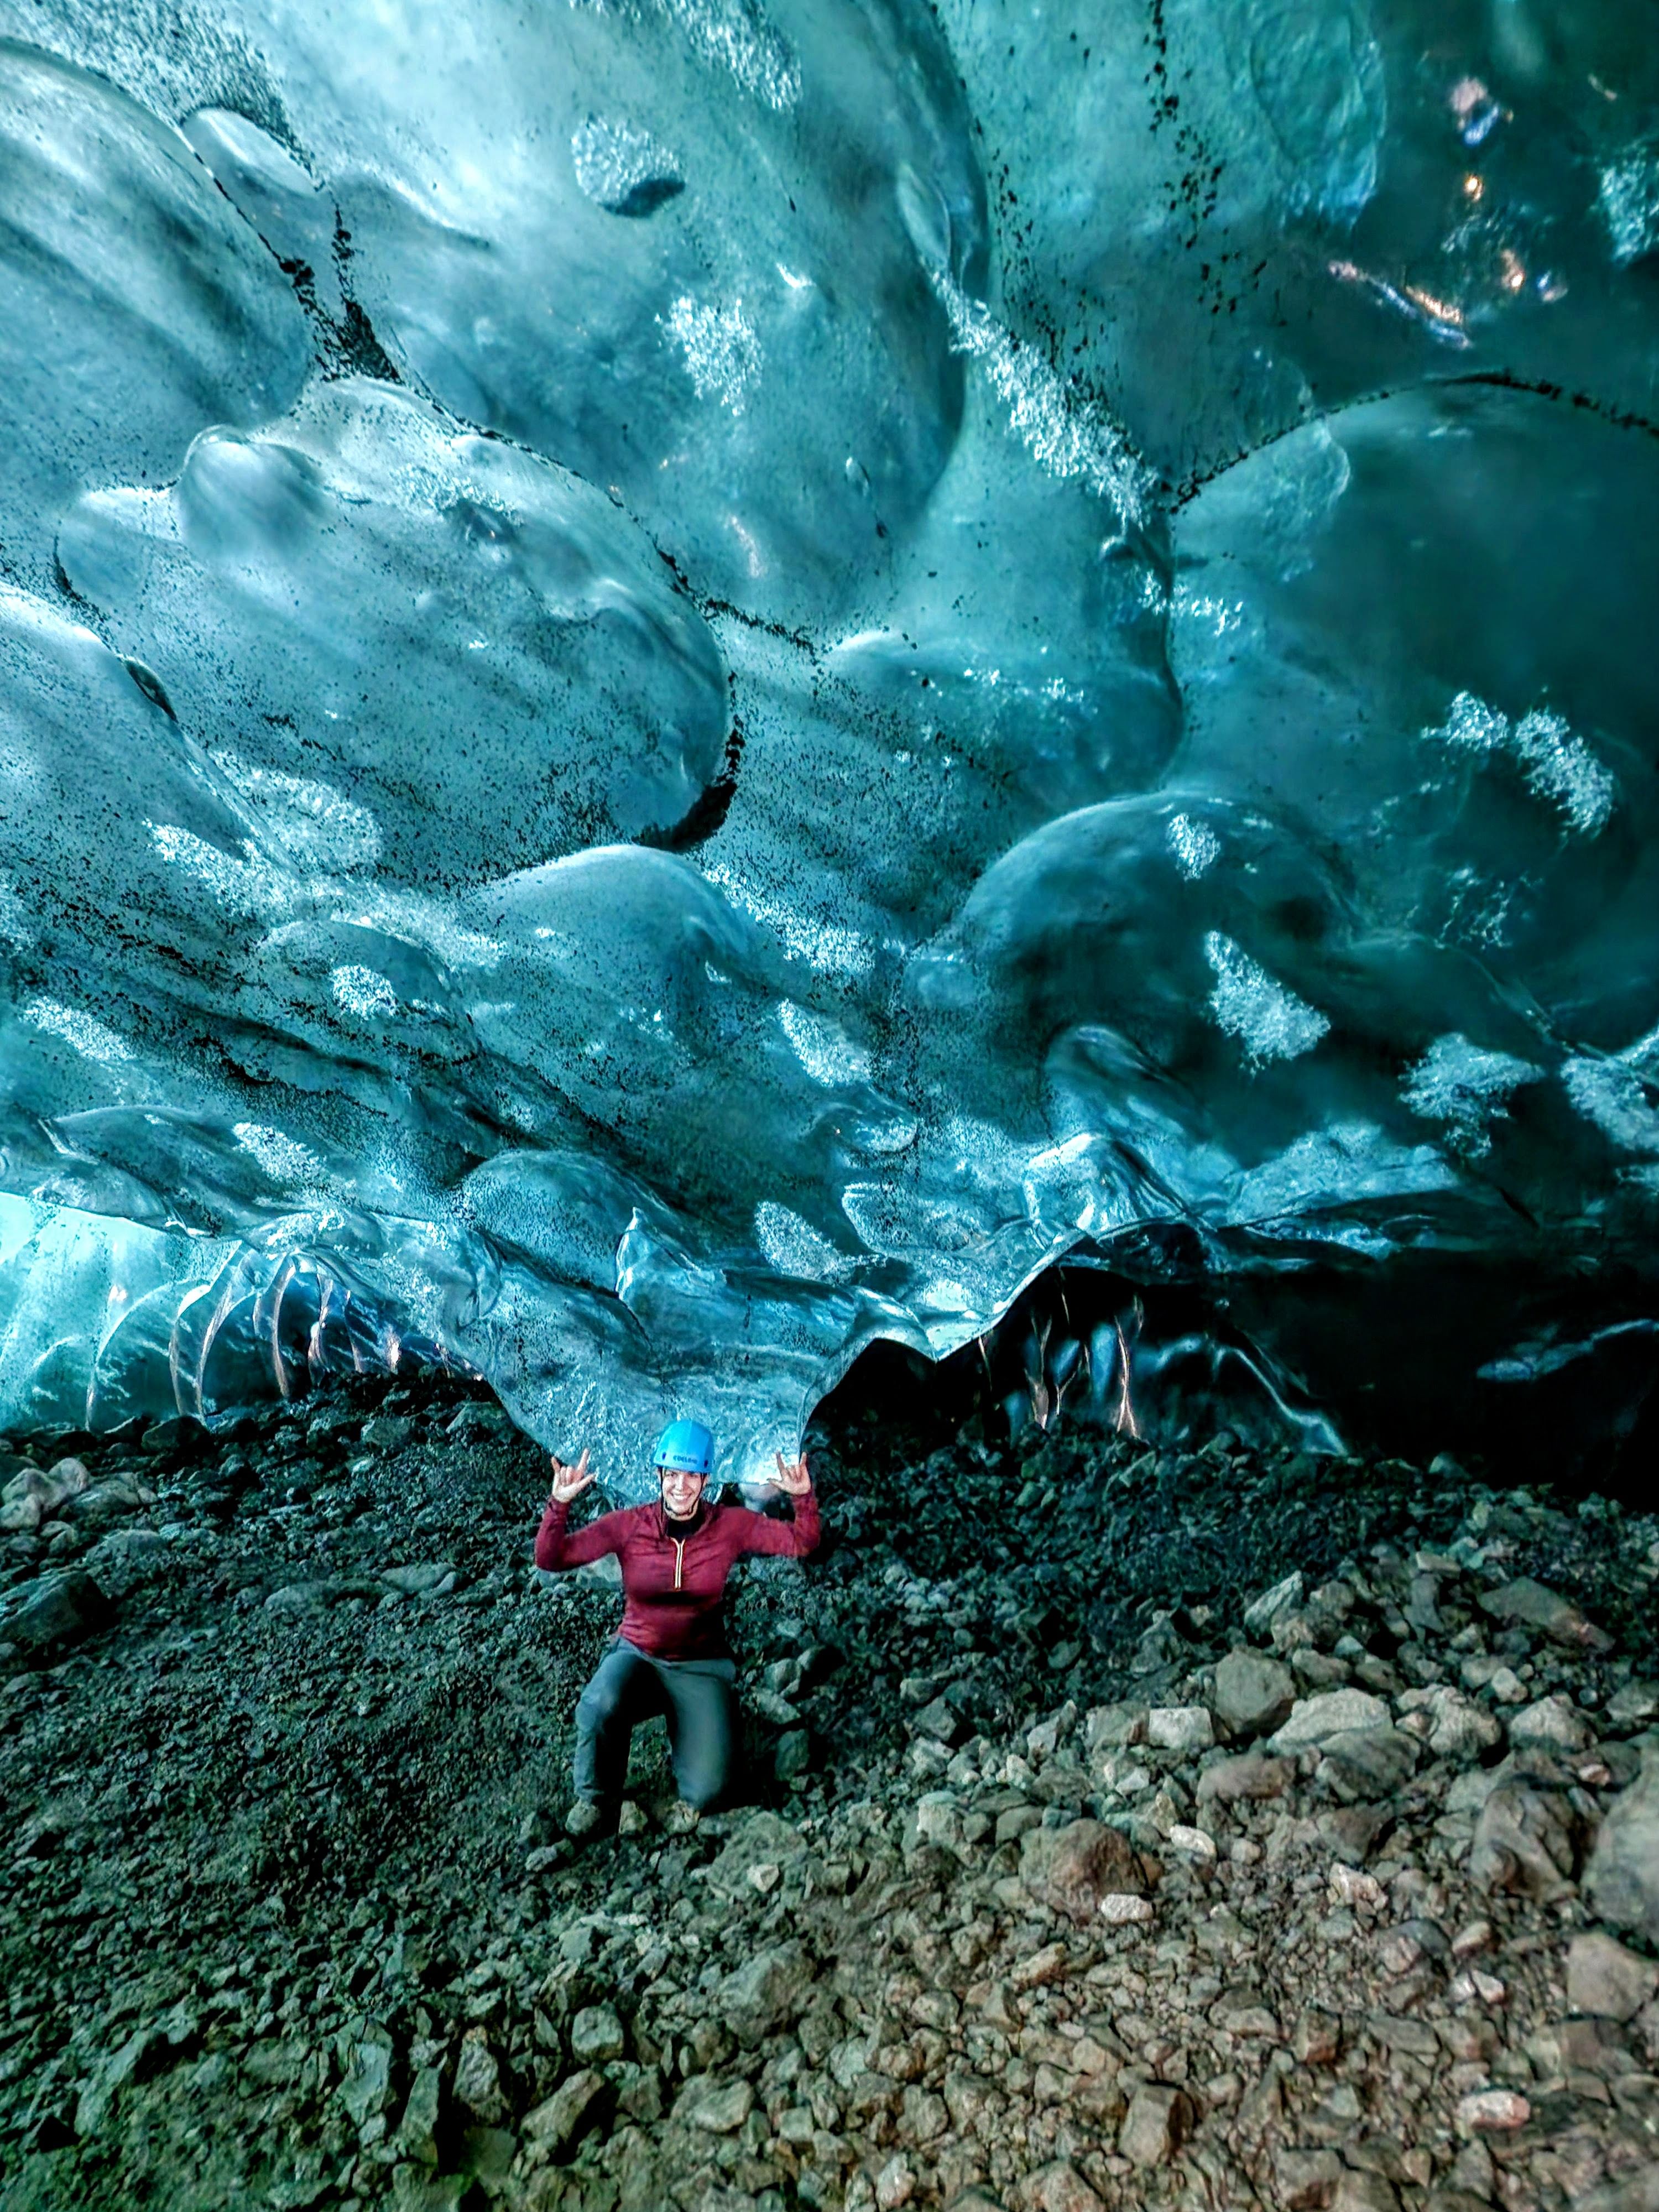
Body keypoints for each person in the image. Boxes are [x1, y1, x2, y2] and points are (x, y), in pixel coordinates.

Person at [535, 1417, 818, 1836]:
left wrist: (803, 1498)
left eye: (690, 1476)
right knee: (600, 1704)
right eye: (671, 1475)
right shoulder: (630, 1526)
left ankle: (694, 1728)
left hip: (700, 1666)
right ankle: (597, 1798)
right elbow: (551, 1558)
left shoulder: (731, 1526)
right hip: (637, 1655)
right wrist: (558, 1506)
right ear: (659, 1475)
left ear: (705, 1480)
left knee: (710, 1793)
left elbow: (801, 1543)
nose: (680, 1486)